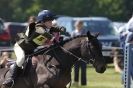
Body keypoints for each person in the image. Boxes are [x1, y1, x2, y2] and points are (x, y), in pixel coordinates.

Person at [2, 9, 65, 87]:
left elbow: (52, 29)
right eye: (49, 22)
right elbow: (43, 32)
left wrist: (60, 29)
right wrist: (52, 38)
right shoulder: (36, 27)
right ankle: (11, 79)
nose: (51, 23)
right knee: (21, 58)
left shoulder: (46, 27)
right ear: (42, 22)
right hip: (20, 47)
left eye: (51, 21)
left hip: (30, 49)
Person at [71, 20, 87, 86]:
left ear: (82, 25)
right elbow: (72, 42)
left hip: (83, 53)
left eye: (80, 25)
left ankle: (83, 83)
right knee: (76, 69)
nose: (78, 26)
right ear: (75, 25)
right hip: (76, 53)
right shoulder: (73, 33)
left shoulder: (84, 32)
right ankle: (76, 81)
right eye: (77, 25)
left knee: (83, 69)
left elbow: (85, 41)